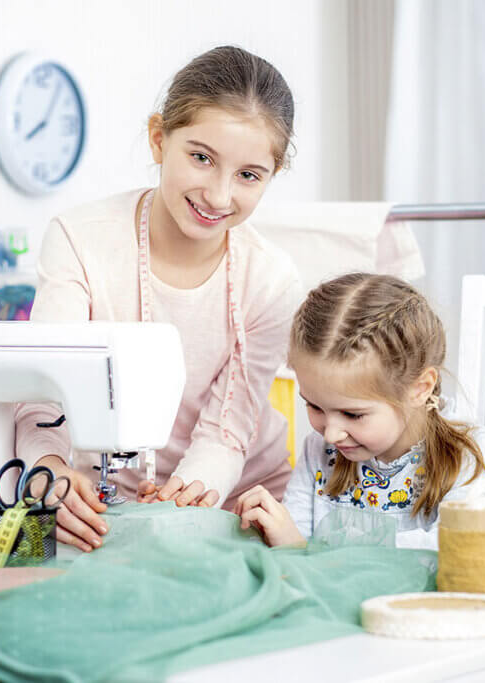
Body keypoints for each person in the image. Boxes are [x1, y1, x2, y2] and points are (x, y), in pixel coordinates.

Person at [15, 46, 303, 553]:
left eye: (249, 175)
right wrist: (50, 470)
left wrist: (180, 506)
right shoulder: (79, 241)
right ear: (157, 139)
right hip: (101, 506)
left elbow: (227, 430)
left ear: (271, 176)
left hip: (236, 499)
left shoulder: (272, 282)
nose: (218, 195)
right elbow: (44, 390)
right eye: (201, 157)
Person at [234, 273, 485, 549]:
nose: (331, 434)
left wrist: (310, 552)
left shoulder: (469, 454)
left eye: (353, 415)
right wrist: (276, 533)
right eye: (314, 406)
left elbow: (455, 548)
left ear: (419, 388)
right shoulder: (319, 451)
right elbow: (297, 548)